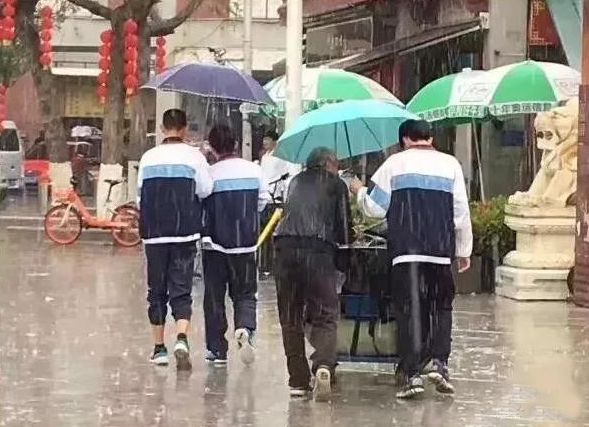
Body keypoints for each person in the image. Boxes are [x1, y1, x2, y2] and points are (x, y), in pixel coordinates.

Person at [350, 119, 472, 399]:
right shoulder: (451, 164)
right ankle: (439, 363)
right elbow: (460, 212)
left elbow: (375, 209)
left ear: (405, 139)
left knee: (410, 311)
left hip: (407, 253)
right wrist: (464, 250)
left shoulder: (394, 164)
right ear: (430, 138)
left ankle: (413, 374)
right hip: (440, 253)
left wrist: (359, 191)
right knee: (441, 307)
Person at [273, 147, 352, 401]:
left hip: (284, 248)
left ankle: (297, 380)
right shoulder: (337, 185)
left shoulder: (295, 181)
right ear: (328, 163)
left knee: (290, 316)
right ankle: (324, 365)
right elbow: (344, 230)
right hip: (317, 249)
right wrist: (344, 261)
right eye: (336, 164)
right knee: (325, 313)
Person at [137, 109, 213, 371]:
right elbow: (205, 190)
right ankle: (181, 337)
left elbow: (140, 197)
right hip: (184, 232)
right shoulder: (194, 157)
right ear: (184, 129)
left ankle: (159, 349)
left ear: (162, 128)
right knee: (182, 289)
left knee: (156, 291)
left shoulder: (148, 158)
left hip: (154, 234)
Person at [202, 124, 270, 366]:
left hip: (215, 245)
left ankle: (217, 349)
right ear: (237, 145)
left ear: (212, 148)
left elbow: (201, 200)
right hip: (246, 244)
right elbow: (263, 201)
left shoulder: (209, 174)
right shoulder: (254, 170)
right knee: (245, 293)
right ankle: (245, 327)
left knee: (214, 297)